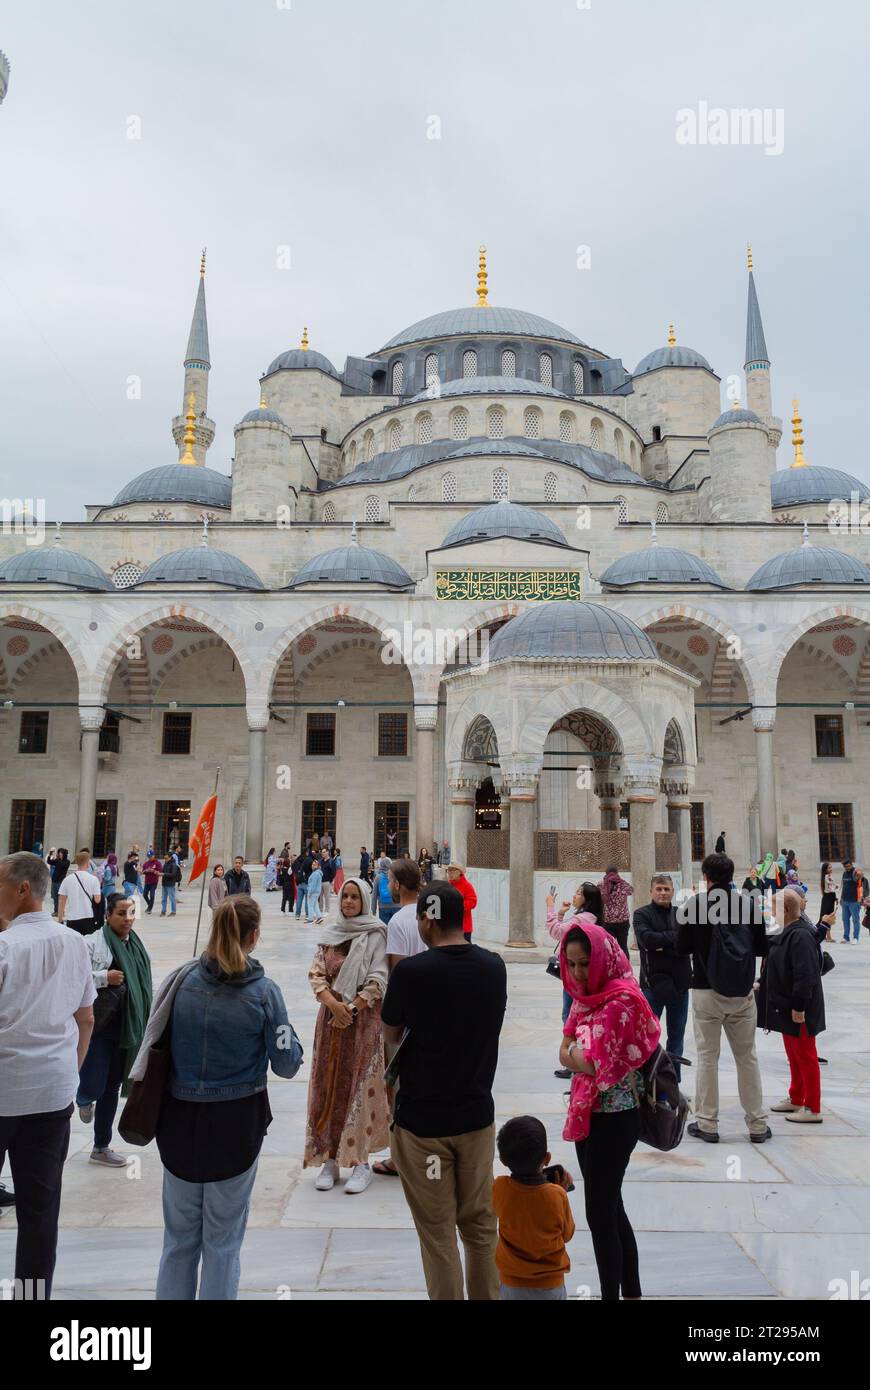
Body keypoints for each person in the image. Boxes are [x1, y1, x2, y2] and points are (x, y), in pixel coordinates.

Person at [148, 894, 303, 1299]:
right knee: (222, 1243)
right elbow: (286, 1063)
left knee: (179, 1241)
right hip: (235, 1126)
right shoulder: (266, 994)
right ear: (254, 937)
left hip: (179, 1122)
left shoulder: (181, 983)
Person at [383, 880, 507, 1300]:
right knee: (479, 1228)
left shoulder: (411, 973)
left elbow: (390, 1032)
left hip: (424, 1127)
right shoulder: (494, 967)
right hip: (475, 1119)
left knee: (438, 1235)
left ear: (428, 920)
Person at [0, 852, 96, 1298]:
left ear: (22, 889)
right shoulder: (74, 943)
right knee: (40, 1213)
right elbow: (86, 1018)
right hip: (52, 1092)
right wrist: (69, 1072)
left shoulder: (4, 947)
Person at [558, 922, 660, 1301]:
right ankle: (631, 1292)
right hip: (590, 1113)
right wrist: (574, 1055)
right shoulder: (587, 996)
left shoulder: (621, 1001)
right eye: (572, 965)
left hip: (615, 1119)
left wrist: (573, 1054)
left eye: (585, 963)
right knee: (611, 1207)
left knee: (598, 1215)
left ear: (603, 958)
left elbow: (593, 1061)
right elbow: (568, 1052)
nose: (579, 973)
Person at [676, 852, 770, 1143]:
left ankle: (708, 1123)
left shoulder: (695, 904)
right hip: (741, 992)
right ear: (732, 875)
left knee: (708, 1058)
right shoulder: (749, 905)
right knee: (748, 1058)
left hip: (706, 990)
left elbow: (681, 947)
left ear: (706, 877)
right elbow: (760, 947)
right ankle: (757, 1124)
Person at [304, 877, 389, 1195]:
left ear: (365, 901)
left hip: (363, 1022)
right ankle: (329, 1158)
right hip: (330, 1023)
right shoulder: (330, 935)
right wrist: (333, 1005)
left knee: (360, 1087)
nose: (349, 902)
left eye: (355, 897)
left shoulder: (376, 933)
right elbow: (317, 973)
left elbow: (379, 976)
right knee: (329, 1085)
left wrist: (351, 1008)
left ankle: (360, 1161)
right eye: (345, 897)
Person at [77, 893, 153, 1167]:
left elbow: (144, 984)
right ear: (108, 915)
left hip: (126, 1028)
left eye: (131, 913)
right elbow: (76, 977)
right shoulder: (92, 943)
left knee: (112, 1087)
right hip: (100, 1026)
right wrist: (103, 978)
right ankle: (83, 1097)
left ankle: (101, 1146)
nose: (127, 919)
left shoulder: (136, 946)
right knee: (94, 1081)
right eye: (121, 913)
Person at [756, 888, 825, 1125]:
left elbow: (805, 977)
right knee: (794, 1055)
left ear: (785, 910)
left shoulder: (801, 936)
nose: (770, 913)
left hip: (800, 1009)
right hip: (786, 1006)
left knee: (806, 1055)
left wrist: (799, 1007)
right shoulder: (787, 932)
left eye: (773, 908)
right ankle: (797, 1097)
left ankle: (812, 1107)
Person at [493, 1115, 575, 1301]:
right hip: (550, 1285)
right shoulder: (557, 1195)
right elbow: (567, 1234)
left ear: (504, 1161)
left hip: (511, 1283)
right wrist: (560, 1190)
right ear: (547, 1158)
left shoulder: (499, 1188)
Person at [632, 874, 691, 1080]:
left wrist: (662, 944)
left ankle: (671, 1083)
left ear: (673, 891)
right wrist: (674, 940)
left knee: (676, 1038)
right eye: (659, 889)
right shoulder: (641, 915)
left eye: (666, 889)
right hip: (652, 986)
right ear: (651, 891)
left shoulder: (682, 915)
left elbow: (688, 944)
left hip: (680, 986)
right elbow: (647, 940)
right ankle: (647, 1083)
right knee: (646, 1037)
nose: (663, 893)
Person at [546, 884, 602, 1079]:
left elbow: (556, 932)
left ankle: (576, 1061)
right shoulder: (587, 917)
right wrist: (562, 913)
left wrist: (551, 908)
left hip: (576, 978)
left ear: (587, 899)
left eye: (579, 893)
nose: (575, 895)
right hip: (578, 976)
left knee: (571, 1017)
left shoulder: (583, 919)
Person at [385, 859, 426, 972]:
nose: (388, 886)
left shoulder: (397, 922)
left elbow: (397, 970)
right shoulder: (430, 915)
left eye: (389, 881)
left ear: (397, 884)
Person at [58, 850, 102, 935]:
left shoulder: (67, 879)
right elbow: (97, 900)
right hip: (88, 916)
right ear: (88, 863)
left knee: (74, 946)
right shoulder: (94, 879)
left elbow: (61, 901)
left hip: (72, 917)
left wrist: (60, 919)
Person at [597, 864, 634, 953]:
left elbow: (598, 897)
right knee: (623, 947)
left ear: (606, 873)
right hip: (623, 921)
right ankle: (625, 966)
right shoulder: (623, 883)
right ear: (617, 872)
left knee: (609, 948)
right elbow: (631, 891)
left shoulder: (601, 884)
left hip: (608, 922)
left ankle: (611, 966)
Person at [446, 863, 477, 940]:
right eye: (449, 870)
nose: (450, 873)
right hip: (449, 927)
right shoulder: (447, 886)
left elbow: (472, 902)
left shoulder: (467, 886)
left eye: (453, 870)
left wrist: (457, 906)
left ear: (460, 872)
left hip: (464, 927)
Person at [840, 859, 863, 943]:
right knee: (845, 919)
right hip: (845, 900)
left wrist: (859, 874)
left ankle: (855, 938)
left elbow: (859, 876)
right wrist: (841, 898)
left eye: (849, 866)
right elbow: (844, 886)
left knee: (855, 920)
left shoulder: (855, 872)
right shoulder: (844, 873)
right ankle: (846, 937)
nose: (848, 867)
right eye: (846, 866)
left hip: (854, 901)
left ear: (851, 864)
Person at [373, 857, 398, 925]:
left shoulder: (378, 877)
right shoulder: (396, 875)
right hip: (396, 905)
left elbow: (374, 895)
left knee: (385, 928)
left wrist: (373, 910)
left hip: (383, 906)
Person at [48, 848, 69, 917]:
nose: (59, 854)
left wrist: (56, 858)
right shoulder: (58, 860)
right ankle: (56, 911)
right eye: (59, 852)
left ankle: (61, 911)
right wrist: (50, 854)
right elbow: (50, 862)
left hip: (60, 882)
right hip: (54, 881)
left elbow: (61, 865)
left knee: (60, 898)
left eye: (61, 853)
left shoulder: (67, 862)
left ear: (64, 854)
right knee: (55, 897)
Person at [160, 850, 181, 916]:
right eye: (164, 858)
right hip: (164, 883)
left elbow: (173, 874)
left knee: (172, 898)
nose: (165, 859)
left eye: (166, 858)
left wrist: (163, 874)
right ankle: (163, 911)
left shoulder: (173, 865)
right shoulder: (165, 864)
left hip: (170, 884)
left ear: (170, 857)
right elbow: (162, 871)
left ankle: (173, 911)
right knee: (163, 899)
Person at [306, 857, 324, 925]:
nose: (312, 866)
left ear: (318, 866)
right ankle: (319, 917)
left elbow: (313, 884)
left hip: (313, 892)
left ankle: (310, 919)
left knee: (310, 905)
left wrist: (309, 892)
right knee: (315, 905)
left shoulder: (316, 874)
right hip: (317, 891)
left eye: (314, 865)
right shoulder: (318, 873)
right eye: (312, 864)